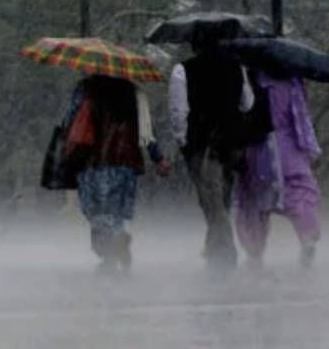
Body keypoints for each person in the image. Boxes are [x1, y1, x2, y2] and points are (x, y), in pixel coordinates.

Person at [65, 74, 171, 275]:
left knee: (96, 213)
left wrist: (67, 154)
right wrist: (157, 157)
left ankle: (109, 254)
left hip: (94, 162)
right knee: (117, 212)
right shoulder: (133, 91)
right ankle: (118, 239)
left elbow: (70, 122)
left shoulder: (85, 88)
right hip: (126, 163)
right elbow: (147, 129)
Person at [168, 28, 254, 274]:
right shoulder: (237, 67)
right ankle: (215, 248)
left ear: (194, 45)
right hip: (231, 143)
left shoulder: (183, 70)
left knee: (211, 201)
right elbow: (247, 103)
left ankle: (224, 255)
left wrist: (183, 141)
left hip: (202, 144)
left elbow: (178, 112)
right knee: (222, 198)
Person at [234, 71, 322, 270]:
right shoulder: (290, 81)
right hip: (288, 149)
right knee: (299, 194)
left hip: (256, 148)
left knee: (253, 203)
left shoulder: (246, 79)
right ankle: (307, 236)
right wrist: (310, 148)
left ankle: (254, 252)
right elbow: (300, 118)